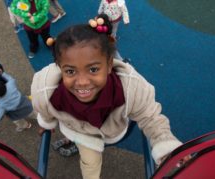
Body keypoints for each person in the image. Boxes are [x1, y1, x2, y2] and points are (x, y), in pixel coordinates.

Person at [31, 17, 182, 179]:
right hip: (81, 132)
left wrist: (164, 143)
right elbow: (44, 108)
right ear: (59, 68)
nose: (82, 82)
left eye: (94, 69)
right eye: (70, 71)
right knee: (90, 163)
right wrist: (46, 122)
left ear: (110, 64)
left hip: (112, 128)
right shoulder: (45, 90)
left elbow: (150, 116)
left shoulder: (131, 87)